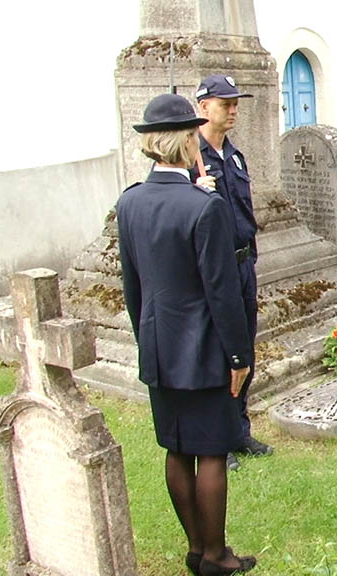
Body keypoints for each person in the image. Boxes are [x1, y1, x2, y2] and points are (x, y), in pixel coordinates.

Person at [118, 93, 258, 575]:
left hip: (159, 345)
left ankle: (197, 549)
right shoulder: (204, 206)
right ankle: (216, 556)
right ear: (187, 144)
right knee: (212, 450)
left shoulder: (131, 201)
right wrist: (239, 356)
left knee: (178, 449)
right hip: (204, 351)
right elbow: (222, 294)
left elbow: (132, 287)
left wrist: (147, 339)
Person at [192, 74, 272, 471]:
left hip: (243, 265)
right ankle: (217, 439)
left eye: (235, 102)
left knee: (245, 347)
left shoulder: (235, 156)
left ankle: (239, 430)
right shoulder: (190, 159)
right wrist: (195, 191)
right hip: (215, 272)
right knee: (221, 355)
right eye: (225, 103)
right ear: (203, 107)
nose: (233, 109)